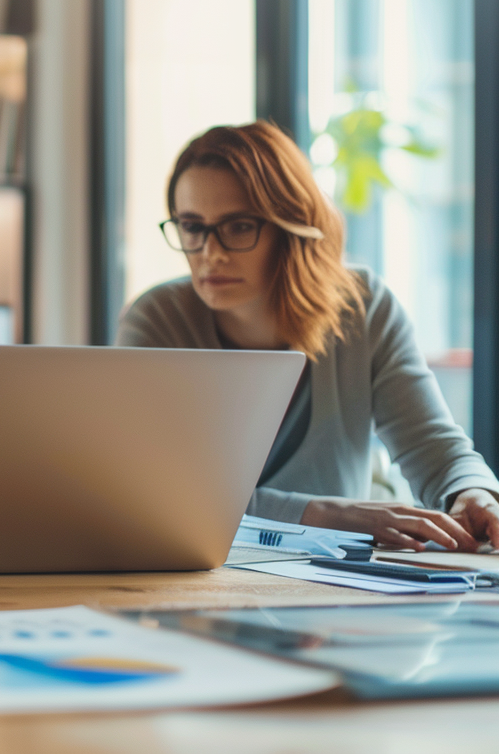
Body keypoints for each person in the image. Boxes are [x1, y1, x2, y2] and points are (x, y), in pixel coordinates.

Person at [117, 121, 499, 551]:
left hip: (334, 585)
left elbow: (432, 444)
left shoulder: (364, 306)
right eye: (192, 226)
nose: (211, 252)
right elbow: (156, 493)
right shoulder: (157, 319)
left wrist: (473, 493)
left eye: (239, 226)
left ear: (291, 225)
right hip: (191, 576)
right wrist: (326, 515)